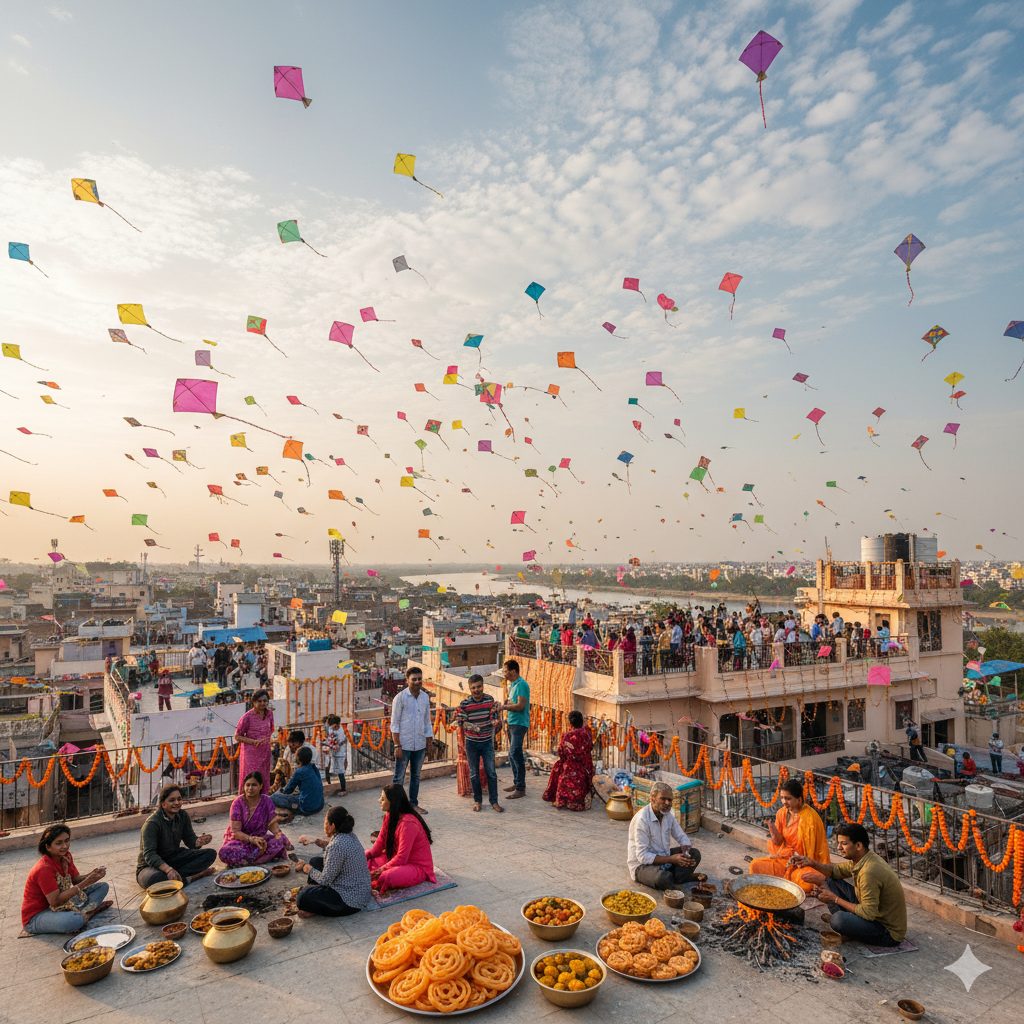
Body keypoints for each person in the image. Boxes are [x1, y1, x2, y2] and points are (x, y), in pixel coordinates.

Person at [791, 822, 907, 947]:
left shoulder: (869, 872)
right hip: (873, 912)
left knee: (837, 920)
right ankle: (850, 925)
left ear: (858, 845)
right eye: (839, 843)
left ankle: (848, 928)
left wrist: (835, 899)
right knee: (829, 879)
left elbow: (868, 913)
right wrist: (812, 863)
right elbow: (835, 871)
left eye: (844, 844)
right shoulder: (863, 858)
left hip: (887, 932)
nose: (839, 847)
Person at [22, 824, 112, 934]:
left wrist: (92, 875)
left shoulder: (65, 857)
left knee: (102, 887)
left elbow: (74, 879)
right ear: (48, 847)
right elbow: (54, 901)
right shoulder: (44, 868)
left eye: (67, 841)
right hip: (38, 915)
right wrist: (87, 881)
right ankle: (89, 913)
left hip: (62, 904)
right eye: (59, 843)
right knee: (75, 920)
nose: (65, 846)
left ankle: (85, 914)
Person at [747, 779, 830, 892]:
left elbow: (814, 853)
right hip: (784, 860)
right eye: (782, 798)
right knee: (755, 865)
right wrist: (771, 826)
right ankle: (783, 881)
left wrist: (797, 860)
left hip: (802, 865)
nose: (784, 801)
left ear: (799, 799)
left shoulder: (810, 818)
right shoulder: (781, 813)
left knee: (806, 881)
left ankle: (784, 882)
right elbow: (778, 842)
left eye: (788, 798)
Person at [292, 806, 374, 917]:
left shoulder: (337, 845)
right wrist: (316, 841)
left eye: (325, 822)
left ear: (333, 826)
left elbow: (325, 880)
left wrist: (307, 869)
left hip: (349, 901)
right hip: (359, 891)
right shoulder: (349, 835)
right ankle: (316, 896)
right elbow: (335, 851)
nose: (324, 825)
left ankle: (314, 903)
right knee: (315, 862)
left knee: (303, 896)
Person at [137, 784, 216, 888]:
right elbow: (149, 855)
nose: (177, 803)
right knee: (154, 879)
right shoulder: (152, 824)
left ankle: (176, 879)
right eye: (172, 800)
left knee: (210, 854)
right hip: (151, 867)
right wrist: (168, 870)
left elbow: (189, 840)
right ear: (163, 804)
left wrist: (197, 842)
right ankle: (190, 878)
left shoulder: (182, 815)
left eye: (179, 799)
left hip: (174, 858)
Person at [627, 781, 701, 889]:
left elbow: (680, 835)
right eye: (663, 799)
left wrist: (686, 848)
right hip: (642, 866)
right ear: (653, 798)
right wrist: (671, 859)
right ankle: (675, 879)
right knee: (661, 878)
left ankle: (674, 879)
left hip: (663, 858)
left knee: (695, 854)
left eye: (670, 800)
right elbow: (642, 857)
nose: (667, 803)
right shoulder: (642, 819)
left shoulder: (667, 815)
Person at [365, 784, 436, 896]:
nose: (379, 800)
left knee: (385, 876)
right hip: (395, 858)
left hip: (415, 866)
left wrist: (378, 871)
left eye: (383, 799)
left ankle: (366, 884)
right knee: (364, 859)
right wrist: (365, 856)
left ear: (392, 802)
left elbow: (402, 858)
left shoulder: (408, 824)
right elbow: (380, 842)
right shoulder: (389, 816)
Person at [219, 771, 292, 866]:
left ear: (260, 786)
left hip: (260, 840)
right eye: (247, 785)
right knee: (225, 852)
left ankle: (247, 860)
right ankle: (258, 858)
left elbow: (273, 826)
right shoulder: (237, 803)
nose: (250, 788)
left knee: (278, 842)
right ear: (244, 786)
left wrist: (285, 840)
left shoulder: (267, 801)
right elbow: (236, 832)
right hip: (240, 841)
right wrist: (252, 839)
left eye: (254, 785)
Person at [454, 674, 504, 813]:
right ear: (470, 688)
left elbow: (494, 719)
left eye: (479, 686)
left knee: (491, 773)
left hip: (487, 742)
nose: (477, 690)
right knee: (474, 773)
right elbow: (460, 722)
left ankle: (494, 801)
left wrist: (493, 723)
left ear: (483, 686)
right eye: (474, 687)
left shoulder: (489, 700)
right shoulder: (464, 704)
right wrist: (467, 724)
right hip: (471, 744)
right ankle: (477, 801)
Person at [390, 666, 433, 813]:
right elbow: (394, 724)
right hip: (404, 744)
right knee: (399, 778)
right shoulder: (400, 698)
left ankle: (413, 804)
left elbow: (427, 721)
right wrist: (397, 745)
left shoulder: (425, 698)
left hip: (420, 744)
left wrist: (429, 743)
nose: (417, 681)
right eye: (414, 679)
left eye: (419, 679)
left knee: (416, 776)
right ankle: (395, 807)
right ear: (407, 680)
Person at [542, 711, 594, 811]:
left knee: (559, 768)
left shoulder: (567, 736)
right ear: (582, 721)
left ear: (570, 723)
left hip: (573, 764)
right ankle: (580, 799)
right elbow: (590, 746)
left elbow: (561, 752)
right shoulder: (587, 732)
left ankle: (563, 800)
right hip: (587, 764)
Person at [500, 659, 530, 800]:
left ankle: (520, 787)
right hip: (512, 722)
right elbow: (512, 703)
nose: (504, 673)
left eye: (505, 670)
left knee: (515, 754)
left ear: (512, 671)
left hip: (519, 723)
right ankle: (517, 782)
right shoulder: (513, 685)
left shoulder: (522, 685)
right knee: (512, 756)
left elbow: (520, 706)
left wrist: (504, 707)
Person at [234, 689, 274, 793]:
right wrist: (253, 742)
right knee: (251, 777)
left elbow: (271, 731)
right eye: (259, 701)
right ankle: (246, 802)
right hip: (251, 754)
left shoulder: (269, 714)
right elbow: (237, 736)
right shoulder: (247, 717)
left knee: (264, 777)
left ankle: (263, 801)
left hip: (265, 752)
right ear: (254, 702)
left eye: (265, 701)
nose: (262, 703)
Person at [271, 746, 324, 819]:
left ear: (298, 758)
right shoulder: (313, 767)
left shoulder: (299, 772)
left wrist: (281, 791)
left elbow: (288, 791)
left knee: (274, 797)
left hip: (307, 808)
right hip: (320, 805)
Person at [323, 715, 349, 793]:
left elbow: (336, 744)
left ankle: (343, 789)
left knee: (340, 772)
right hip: (333, 753)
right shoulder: (332, 728)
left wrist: (327, 745)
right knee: (328, 767)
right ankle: (329, 782)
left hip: (339, 753)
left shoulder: (339, 732)